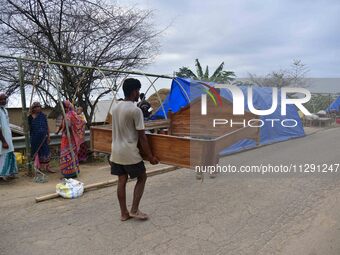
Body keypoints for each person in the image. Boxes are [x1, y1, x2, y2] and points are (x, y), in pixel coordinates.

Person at [110, 78, 158, 221]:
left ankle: (124, 213)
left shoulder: (116, 107)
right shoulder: (135, 110)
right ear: (134, 91)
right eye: (138, 90)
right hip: (129, 152)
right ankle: (134, 210)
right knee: (142, 177)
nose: (139, 93)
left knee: (122, 180)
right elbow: (142, 137)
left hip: (116, 151)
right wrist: (150, 156)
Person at [59, 100, 85, 178]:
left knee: (68, 154)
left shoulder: (70, 115)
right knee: (70, 154)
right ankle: (72, 172)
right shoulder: (70, 114)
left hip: (68, 138)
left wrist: (69, 126)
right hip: (70, 138)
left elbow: (80, 122)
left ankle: (69, 173)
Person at [28, 102, 54, 173]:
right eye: (36, 107)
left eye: (39, 107)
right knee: (36, 153)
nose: (38, 108)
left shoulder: (43, 116)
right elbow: (26, 128)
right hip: (34, 138)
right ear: (33, 108)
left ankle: (47, 167)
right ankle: (38, 168)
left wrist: (49, 136)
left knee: (46, 152)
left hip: (44, 138)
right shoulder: (29, 117)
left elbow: (47, 126)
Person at [0, 93, 18, 181]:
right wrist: (3, 141)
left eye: (4, 99)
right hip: (2, 138)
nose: (3, 101)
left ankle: (8, 173)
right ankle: (2, 175)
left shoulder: (5, 110)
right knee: (2, 156)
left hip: (7, 136)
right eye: (1, 99)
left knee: (9, 154)